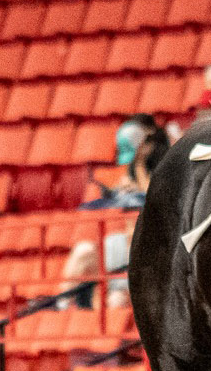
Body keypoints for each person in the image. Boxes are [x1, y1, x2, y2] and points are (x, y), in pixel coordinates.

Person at [57, 129, 172, 308]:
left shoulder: (168, 180)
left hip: (147, 258)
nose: (143, 151)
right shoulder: (126, 179)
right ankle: (61, 307)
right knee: (83, 250)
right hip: (121, 248)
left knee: (117, 301)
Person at [85, 116, 163, 211]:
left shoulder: (162, 158)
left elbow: (151, 192)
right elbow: (131, 180)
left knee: (135, 201)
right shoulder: (134, 162)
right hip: (127, 197)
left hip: (146, 203)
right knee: (89, 207)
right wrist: (127, 185)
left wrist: (140, 164)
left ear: (146, 144)